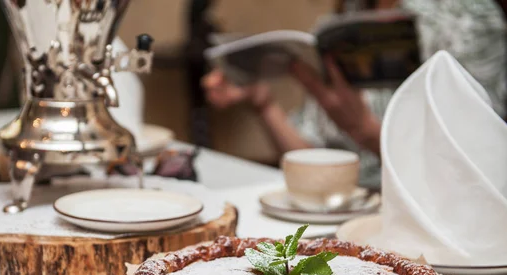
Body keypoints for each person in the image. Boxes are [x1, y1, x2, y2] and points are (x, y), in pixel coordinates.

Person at [202, 0, 507, 189]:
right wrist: (264, 104)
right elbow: (309, 155)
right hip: (339, 208)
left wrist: (364, 129)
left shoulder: (467, 16)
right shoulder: (348, 17)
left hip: (424, 218)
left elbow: (475, 170)